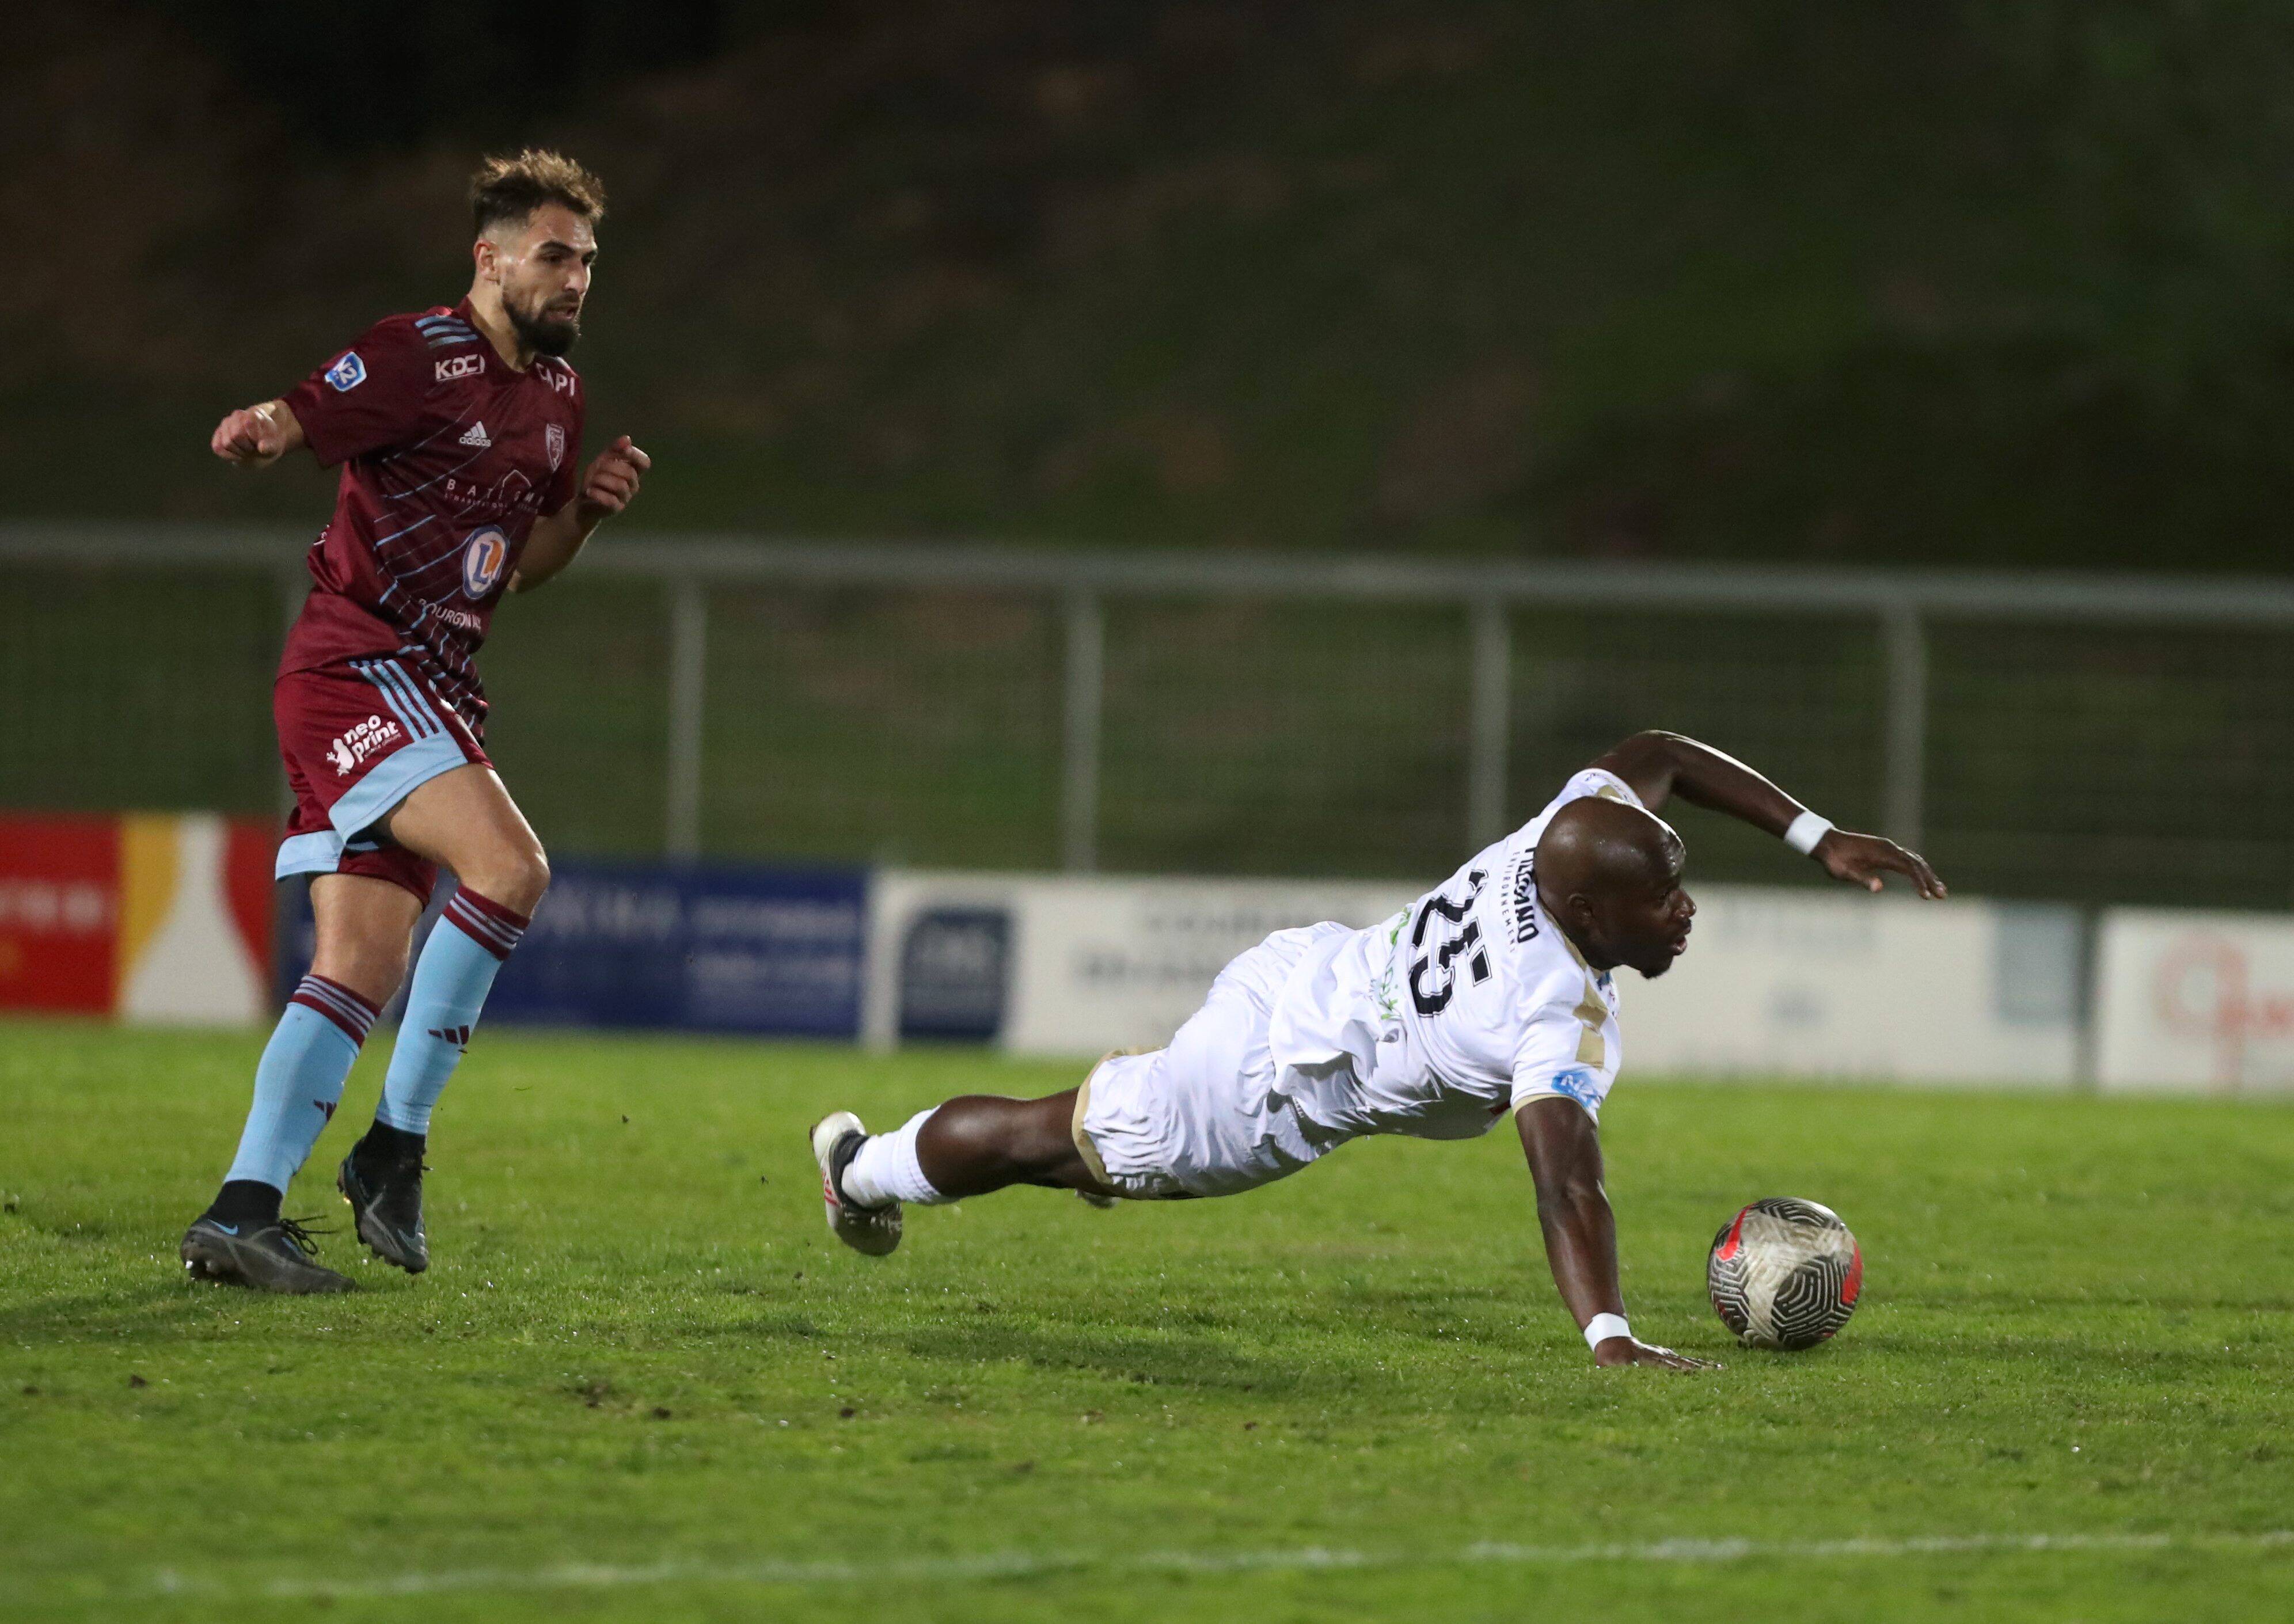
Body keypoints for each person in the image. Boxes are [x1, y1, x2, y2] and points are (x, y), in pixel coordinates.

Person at [810, 730, 1946, 1367]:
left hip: (1305, 974)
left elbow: (1656, 752)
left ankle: (1090, 1134)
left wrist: (1817, 834)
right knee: (1041, 1141)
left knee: (1081, 1143)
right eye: (1664, 900)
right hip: (1265, 1087)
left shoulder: (1556, 843)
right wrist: (1610, 1333)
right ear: (1595, 920)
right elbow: (1567, 1182)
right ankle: (855, 1168)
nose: (1685, 911)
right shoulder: (1553, 1013)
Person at [180, 150, 650, 1293]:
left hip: (428, 679)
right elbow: (304, 410)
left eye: (587, 260)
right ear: (488, 260)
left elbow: (518, 568)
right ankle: (393, 1148)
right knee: (511, 866)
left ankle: (243, 1210)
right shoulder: (420, 352)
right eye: (554, 255)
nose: (576, 279)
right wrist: (261, 428)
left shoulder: (557, 399)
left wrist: (581, 516)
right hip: (359, 664)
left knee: (358, 964)